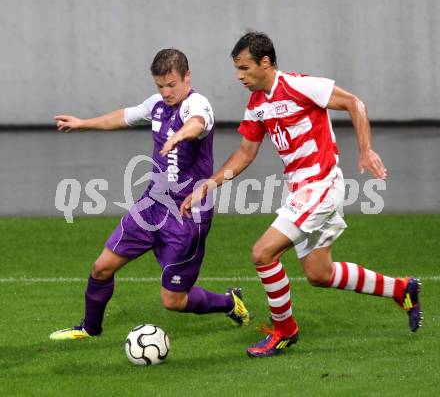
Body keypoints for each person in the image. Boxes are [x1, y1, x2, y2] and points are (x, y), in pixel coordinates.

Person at [180, 32, 422, 357]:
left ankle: (284, 332)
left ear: (265, 62)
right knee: (319, 273)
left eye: (244, 68)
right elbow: (245, 153)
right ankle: (402, 288)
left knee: (262, 253)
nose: (239, 76)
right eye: (237, 69)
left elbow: (354, 103)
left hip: (319, 186)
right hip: (300, 190)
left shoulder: (299, 86)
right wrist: (209, 184)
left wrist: (365, 151)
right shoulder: (256, 106)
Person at [50, 49, 250, 341]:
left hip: (187, 212)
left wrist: (181, 134)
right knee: (102, 267)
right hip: (152, 205)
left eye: (172, 85)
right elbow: (124, 117)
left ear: (187, 77)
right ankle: (89, 329)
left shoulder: (197, 104)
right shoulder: (156, 105)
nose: (166, 92)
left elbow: (197, 122)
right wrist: (83, 123)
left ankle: (230, 302)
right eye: (160, 86)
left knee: (172, 300)